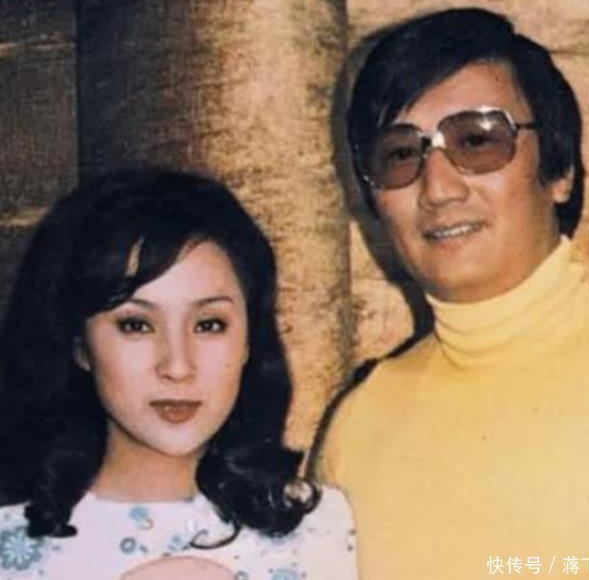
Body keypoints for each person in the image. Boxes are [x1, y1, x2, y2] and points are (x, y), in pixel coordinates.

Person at [318, 7, 589, 580]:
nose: (438, 188)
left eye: (476, 140)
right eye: (400, 154)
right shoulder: (357, 427)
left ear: (559, 171)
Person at [0, 169, 357, 580]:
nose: (177, 366)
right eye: (136, 325)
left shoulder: (322, 530)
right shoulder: (12, 547)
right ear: (80, 346)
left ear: (248, 341)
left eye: (209, 324)